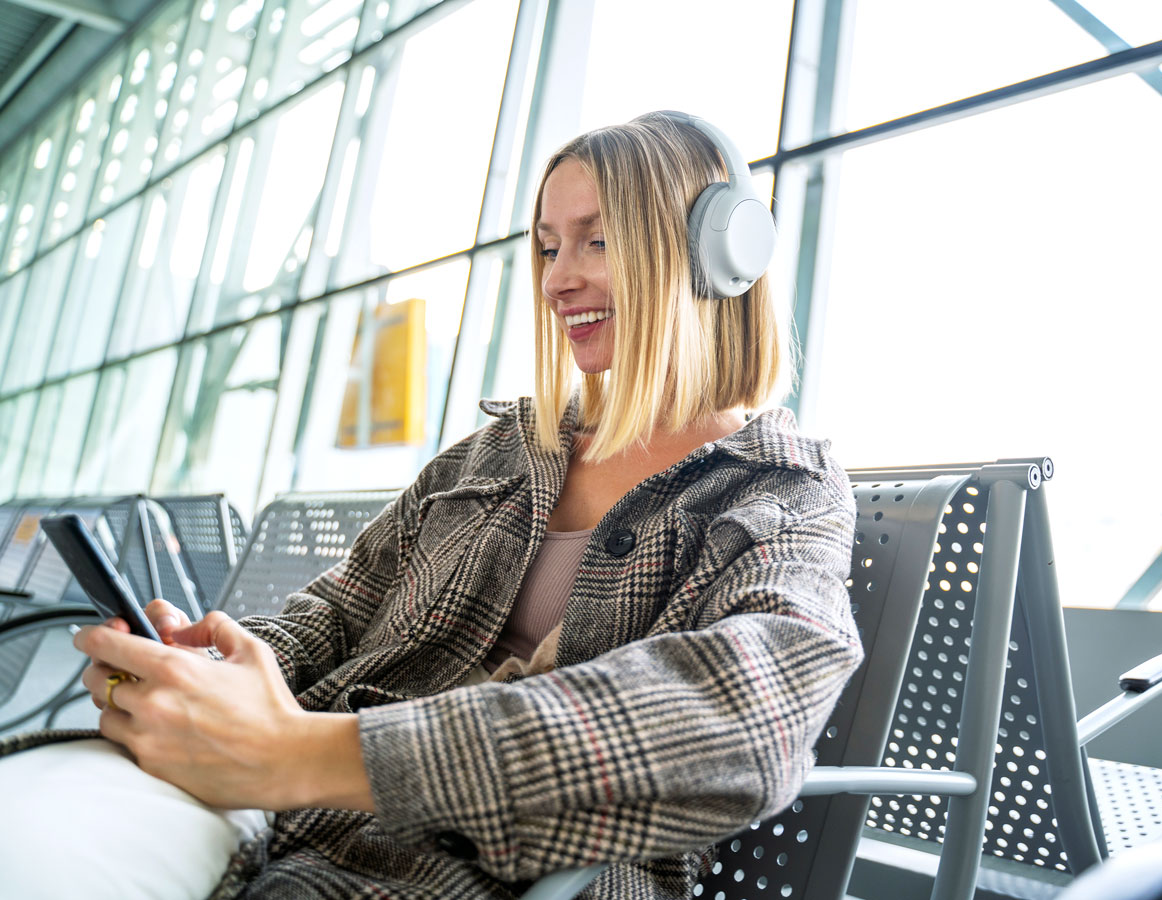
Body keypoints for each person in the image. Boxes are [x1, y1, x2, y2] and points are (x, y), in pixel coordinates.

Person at [0, 111, 862, 899]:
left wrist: (304, 754)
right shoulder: (499, 452)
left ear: (718, 256)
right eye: (547, 247)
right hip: (297, 812)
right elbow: (338, 612)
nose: (560, 280)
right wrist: (214, 670)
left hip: (519, 870)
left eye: (597, 241)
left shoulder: (779, 487)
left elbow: (744, 716)